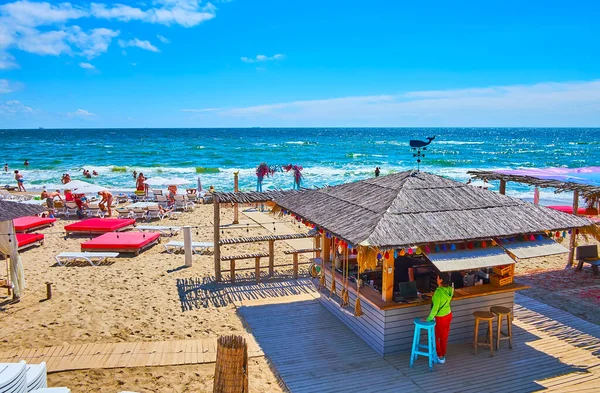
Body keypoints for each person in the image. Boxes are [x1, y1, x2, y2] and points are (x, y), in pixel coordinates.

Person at [424, 272, 454, 364]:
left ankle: (439, 355)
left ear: (441, 280)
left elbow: (435, 309)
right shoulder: (450, 290)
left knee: (435, 337)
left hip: (440, 317)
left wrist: (428, 319)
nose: (436, 280)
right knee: (444, 337)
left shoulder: (438, 293)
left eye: (438, 278)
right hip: (448, 315)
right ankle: (443, 354)